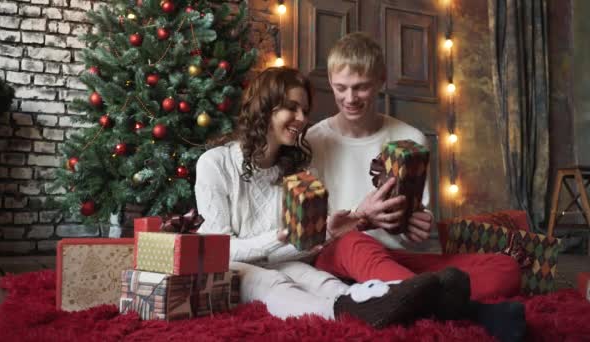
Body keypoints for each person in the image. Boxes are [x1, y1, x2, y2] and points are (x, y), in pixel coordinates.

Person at [194, 66, 462, 328]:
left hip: (285, 261)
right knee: (273, 284)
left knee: (321, 281)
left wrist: (328, 232)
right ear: (264, 106)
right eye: (291, 107)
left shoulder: (298, 167)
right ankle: (342, 314)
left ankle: (394, 300)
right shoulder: (215, 164)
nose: (301, 118)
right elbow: (219, 251)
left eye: (305, 110)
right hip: (233, 269)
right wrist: (278, 238)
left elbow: (302, 249)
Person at [306, 32, 526, 341]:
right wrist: (360, 217)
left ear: (381, 80)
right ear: (330, 81)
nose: (350, 98)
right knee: (353, 243)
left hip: (397, 261)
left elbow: (415, 233)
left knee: (505, 268)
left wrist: (416, 230)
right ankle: (473, 313)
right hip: (342, 256)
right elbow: (314, 238)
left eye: (361, 87)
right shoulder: (313, 141)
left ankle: (401, 296)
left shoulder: (409, 138)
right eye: (341, 88)